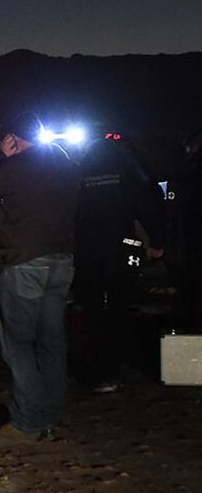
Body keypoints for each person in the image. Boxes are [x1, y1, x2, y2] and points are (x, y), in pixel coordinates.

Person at [0, 111, 79, 443]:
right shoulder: (65, 162)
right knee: (52, 341)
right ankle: (49, 415)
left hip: (25, 261)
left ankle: (27, 422)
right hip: (61, 260)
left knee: (18, 344)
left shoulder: (20, 166)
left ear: (13, 138)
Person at [74, 134, 166, 394]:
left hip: (86, 250)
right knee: (118, 306)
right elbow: (148, 206)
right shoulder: (129, 172)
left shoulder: (79, 173)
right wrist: (158, 241)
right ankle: (113, 368)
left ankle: (99, 367)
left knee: (92, 309)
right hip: (122, 248)